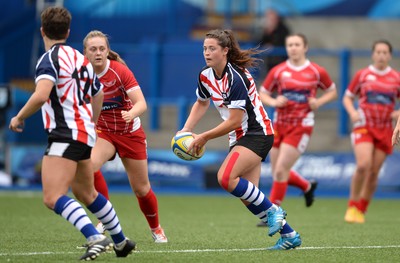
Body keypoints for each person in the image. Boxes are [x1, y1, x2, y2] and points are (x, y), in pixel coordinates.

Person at [8, 6, 135, 260]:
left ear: (42, 30)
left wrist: (19, 117)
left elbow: (42, 94)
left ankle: (94, 236)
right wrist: (92, 121)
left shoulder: (48, 60)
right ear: (67, 31)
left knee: (52, 196)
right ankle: (121, 241)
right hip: (84, 133)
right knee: (87, 193)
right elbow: (97, 92)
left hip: (64, 134)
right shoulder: (80, 58)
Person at [178, 29, 302, 250]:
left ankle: (274, 211)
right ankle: (290, 235)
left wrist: (203, 137)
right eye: (205, 48)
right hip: (238, 136)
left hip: (257, 133)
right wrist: (185, 130)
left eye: (212, 48)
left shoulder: (237, 77)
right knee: (249, 196)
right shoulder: (205, 75)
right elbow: (202, 103)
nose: (206, 52)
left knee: (225, 178)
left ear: (225, 51)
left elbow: (235, 120)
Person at [82, 30, 168, 243]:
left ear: (107, 51)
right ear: (85, 52)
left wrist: (131, 113)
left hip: (130, 133)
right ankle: (104, 216)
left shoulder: (120, 71)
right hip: (105, 133)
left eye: (102, 48)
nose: (98, 53)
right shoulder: (81, 73)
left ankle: (156, 228)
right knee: (89, 167)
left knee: (141, 189)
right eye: (93, 49)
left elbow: (142, 103)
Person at [258, 33, 337, 226]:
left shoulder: (316, 71)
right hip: (279, 124)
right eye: (290, 44)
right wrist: (275, 101)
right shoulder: (278, 71)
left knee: (280, 170)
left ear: (305, 47)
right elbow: (263, 93)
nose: (293, 48)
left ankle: (273, 214)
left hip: (301, 126)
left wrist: (318, 102)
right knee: (279, 171)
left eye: (297, 44)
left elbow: (332, 91)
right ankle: (307, 186)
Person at [343, 40, 400, 224]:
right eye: (378, 52)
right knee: (363, 165)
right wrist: (352, 112)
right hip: (364, 125)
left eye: (385, 52)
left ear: (390, 55)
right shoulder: (363, 75)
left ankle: (361, 209)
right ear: (373, 54)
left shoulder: (396, 78)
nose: (381, 55)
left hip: (385, 129)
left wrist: (396, 114)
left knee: (374, 172)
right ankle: (352, 205)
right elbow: (347, 97)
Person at [256, 8, 290, 81]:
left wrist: (273, 46)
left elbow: (285, 42)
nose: (269, 20)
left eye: (272, 18)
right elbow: (259, 42)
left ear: (276, 18)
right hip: (269, 61)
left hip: (281, 60)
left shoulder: (283, 29)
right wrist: (267, 32)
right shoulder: (266, 29)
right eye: (268, 18)